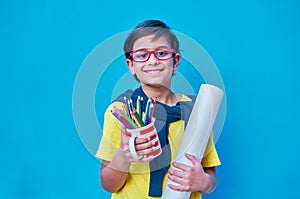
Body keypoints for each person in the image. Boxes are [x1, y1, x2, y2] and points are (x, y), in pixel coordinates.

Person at [95, 19, 221, 199]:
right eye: (142, 55)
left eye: (161, 53)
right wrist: (125, 155)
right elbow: (108, 184)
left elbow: (210, 174)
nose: (153, 61)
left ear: (175, 61)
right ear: (131, 65)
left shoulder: (197, 111)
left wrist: (205, 182)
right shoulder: (122, 111)